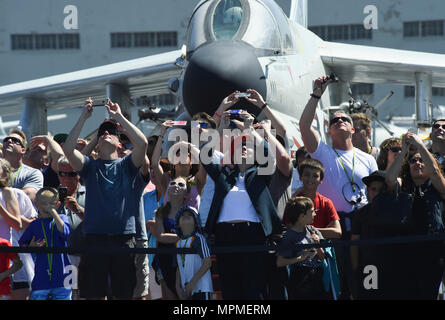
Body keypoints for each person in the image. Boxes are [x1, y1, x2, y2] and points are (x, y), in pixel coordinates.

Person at [299, 75, 378, 299]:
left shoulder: (368, 159)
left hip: (363, 227)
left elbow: (374, 194)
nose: (339, 121)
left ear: (353, 130)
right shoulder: (322, 151)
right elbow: (304, 125)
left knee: (367, 280)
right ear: (329, 130)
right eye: (334, 121)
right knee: (337, 284)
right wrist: (317, 94)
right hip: (333, 226)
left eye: (344, 119)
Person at [62, 97, 148, 300]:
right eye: (102, 133)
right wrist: (84, 117)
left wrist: (119, 118)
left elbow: (143, 144)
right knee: (94, 295)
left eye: (111, 132)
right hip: (94, 239)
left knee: (123, 294)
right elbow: (68, 149)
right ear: (96, 143)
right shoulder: (89, 167)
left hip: (124, 239)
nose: (106, 134)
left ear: (119, 142)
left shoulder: (127, 165)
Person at [201, 111, 282, 300]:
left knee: (255, 289)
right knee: (230, 289)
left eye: (248, 146)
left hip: (253, 235)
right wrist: (220, 128)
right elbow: (205, 156)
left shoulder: (261, 174)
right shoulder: (224, 175)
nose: (243, 148)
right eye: (239, 146)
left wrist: (249, 129)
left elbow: (269, 157)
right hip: (224, 235)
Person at [385, 132, 445, 299]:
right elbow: (390, 179)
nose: (417, 163)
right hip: (405, 249)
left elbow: (434, 171)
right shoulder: (404, 186)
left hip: (432, 250)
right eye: (413, 161)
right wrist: (404, 150)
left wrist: (420, 146)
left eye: (421, 160)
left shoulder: (438, 187)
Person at [18, 187, 72, 300]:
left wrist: (53, 212)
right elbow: (22, 244)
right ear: (36, 204)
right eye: (43, 203)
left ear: (57, 204)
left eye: (51, 204)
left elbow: (64, 232)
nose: (47, 207)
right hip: (41, 278)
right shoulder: (34, 224)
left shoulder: (62, 218)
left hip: (63, 278)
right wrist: (30, 247)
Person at [276, 196, 330, 300]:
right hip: (299, 279)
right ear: (302, 216)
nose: (315, 214)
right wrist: (301, 258)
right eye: (312, 211)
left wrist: (317, 244)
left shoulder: (312, 230)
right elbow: (280, 262)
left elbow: (322, 257)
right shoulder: (289, 236)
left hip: (317, 277)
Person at [0, 158, 38, 300]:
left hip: (9, 254)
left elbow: (17, 224)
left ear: (5, 174)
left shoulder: (10, 193)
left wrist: (1, 209)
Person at [350, 170, 388, 299]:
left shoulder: (395, 211)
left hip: (391, 265)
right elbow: (354, 243)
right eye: (373, 189)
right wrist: (356, 269)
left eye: (381, 189)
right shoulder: (361, 213)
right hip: (369, 267)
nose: (376, 193)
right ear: (368, 191)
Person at [153, 176, 190, 300]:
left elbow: (192, 238)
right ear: (168, 190)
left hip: (185, 263)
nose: (176, 186)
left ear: (186, 194)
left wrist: (178, 238)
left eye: (181, 185)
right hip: (165, 261)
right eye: (173, 183)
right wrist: (183, 237)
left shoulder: (190, 213)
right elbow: (161, 236)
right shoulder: (160, 212)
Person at [284, 158, 342, 239]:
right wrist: (322, 232)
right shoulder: (293, 202)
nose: (310, 179)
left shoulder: (326, 203)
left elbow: (337, 233)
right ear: (301, 177)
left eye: (315, 176)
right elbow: (289, 229)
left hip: (321, 249)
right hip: (297, 249)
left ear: (321, 180)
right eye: (307, 175)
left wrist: (305, 230)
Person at [152, 120, 203, 210]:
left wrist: (188, 145)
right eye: (177, 152)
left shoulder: (197, 180)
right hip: (169, 223)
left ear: (191, 161)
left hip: (191, 223)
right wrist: (161, 135)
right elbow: (155, 164)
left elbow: (204, 161)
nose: (180, 153)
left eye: (185, 152)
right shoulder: (167, 179)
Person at [174, 206, 212, 300]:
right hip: (186, 290)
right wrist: (177, 286)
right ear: (178, 224)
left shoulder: (199, 239)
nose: (186, 216)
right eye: (182, 215)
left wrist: (192, 283)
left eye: (190, 215)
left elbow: (207, 263)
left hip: (202, 289)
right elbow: (179, 266)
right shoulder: (178, 243)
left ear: (196, 223)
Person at [2, 129, 44, 201]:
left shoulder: (33, 173)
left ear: (23, 150)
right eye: (6, 140)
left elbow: (28, 196)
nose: (9, 141)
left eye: (15, 140)